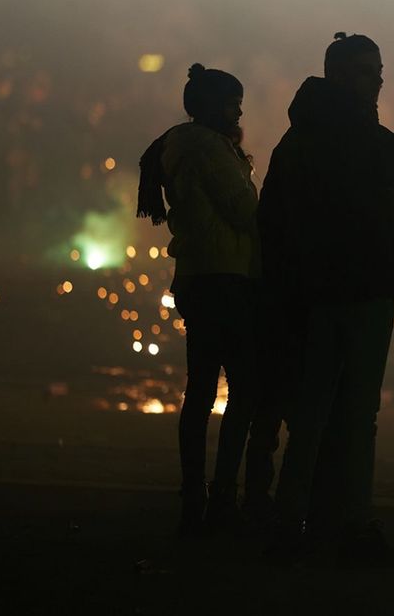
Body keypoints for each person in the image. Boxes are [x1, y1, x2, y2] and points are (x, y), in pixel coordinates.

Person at [261, 32, 394, 562]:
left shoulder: (305, 136)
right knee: (344, 418)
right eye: (366, 71)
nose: (377, 79)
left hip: (332, 294)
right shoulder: (338, 136)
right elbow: (386, 175)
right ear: (338, 76)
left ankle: (298, 522)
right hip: (343, 295)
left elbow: (391, 211)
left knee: (317, 416)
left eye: (377, 69)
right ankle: (343, 524)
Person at [136, 63, 260, 535]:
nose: (239, 110)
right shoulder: (209, 148)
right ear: (212, 107)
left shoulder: (186, 144)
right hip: (224, 278)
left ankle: (194, 494)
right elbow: (243, 209)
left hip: (197, 278)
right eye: (232, 103)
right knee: (245, 389)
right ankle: (222, 494)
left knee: (202, 389)